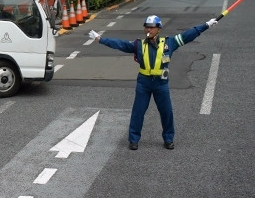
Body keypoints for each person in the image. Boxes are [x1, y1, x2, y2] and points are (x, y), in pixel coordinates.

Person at [88, 15, 218, 150]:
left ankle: (168, 139)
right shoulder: (138, 44)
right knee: (138, 112)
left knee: (166, 112)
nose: (148, 30)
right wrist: (100, 39)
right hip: (143, 84)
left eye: (151, 27)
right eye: (146, 27)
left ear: (158, 29)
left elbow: (187, 35)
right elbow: (119, 44)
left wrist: (206, 25)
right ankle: (133, 139)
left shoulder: (169, 43)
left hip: (161, 84)